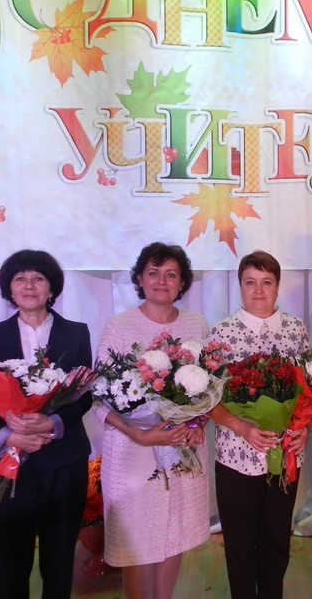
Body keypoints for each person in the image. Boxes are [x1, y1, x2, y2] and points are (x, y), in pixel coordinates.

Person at [0, 249, 93, 599]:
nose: (29, 286)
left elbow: (83, 395)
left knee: (59, 564)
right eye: (20, 278)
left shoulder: (76, 334)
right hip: (6, 466)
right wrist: (11, 437)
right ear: (9, 288)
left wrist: (51, 422)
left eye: (38, 278)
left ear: (52, 289)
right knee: (9, 566)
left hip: (63, 463)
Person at [92, 242, 209, 599]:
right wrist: (137, 434)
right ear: (140, 279)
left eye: (171, 274)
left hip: (181, 444)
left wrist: (198, 424)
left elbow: (208, 387)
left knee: (174, 535)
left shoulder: (196, 324)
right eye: (153, 273)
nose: (161, 281)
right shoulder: (119, 326)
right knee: (139, 543)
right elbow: (99, 397)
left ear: (182, 282)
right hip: (132, 450)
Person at [207, 250, 312, 599]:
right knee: (240, 544)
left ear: (278, 286)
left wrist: (303, 428)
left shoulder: (296, 329)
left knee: (276, 542)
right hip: (235, 457)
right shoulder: (221, 332)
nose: (258, 290)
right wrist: (242, 427)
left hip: (286, 455)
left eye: (267, 282)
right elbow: (206, 400)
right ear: (239, 285)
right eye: (250, 282)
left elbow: (310, 390)